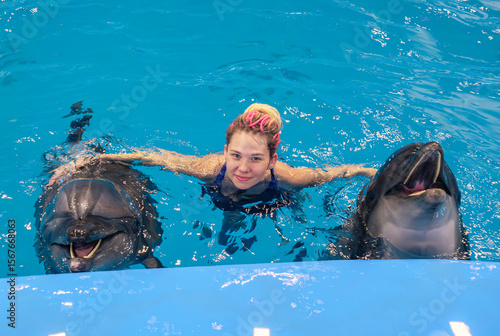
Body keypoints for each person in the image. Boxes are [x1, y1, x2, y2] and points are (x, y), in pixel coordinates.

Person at [48, 103, 376, 253]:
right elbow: (149, 155)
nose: (243, 168)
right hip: (224, 199)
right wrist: (90, 158)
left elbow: (333, 173)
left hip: (272, 200)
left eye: (256, 159)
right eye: (236, 156)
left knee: (296, 234)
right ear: (225, 151)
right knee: (225, 240)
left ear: (272, 159)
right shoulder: (209, 168)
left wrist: (365, 170)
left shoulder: (289, 176)